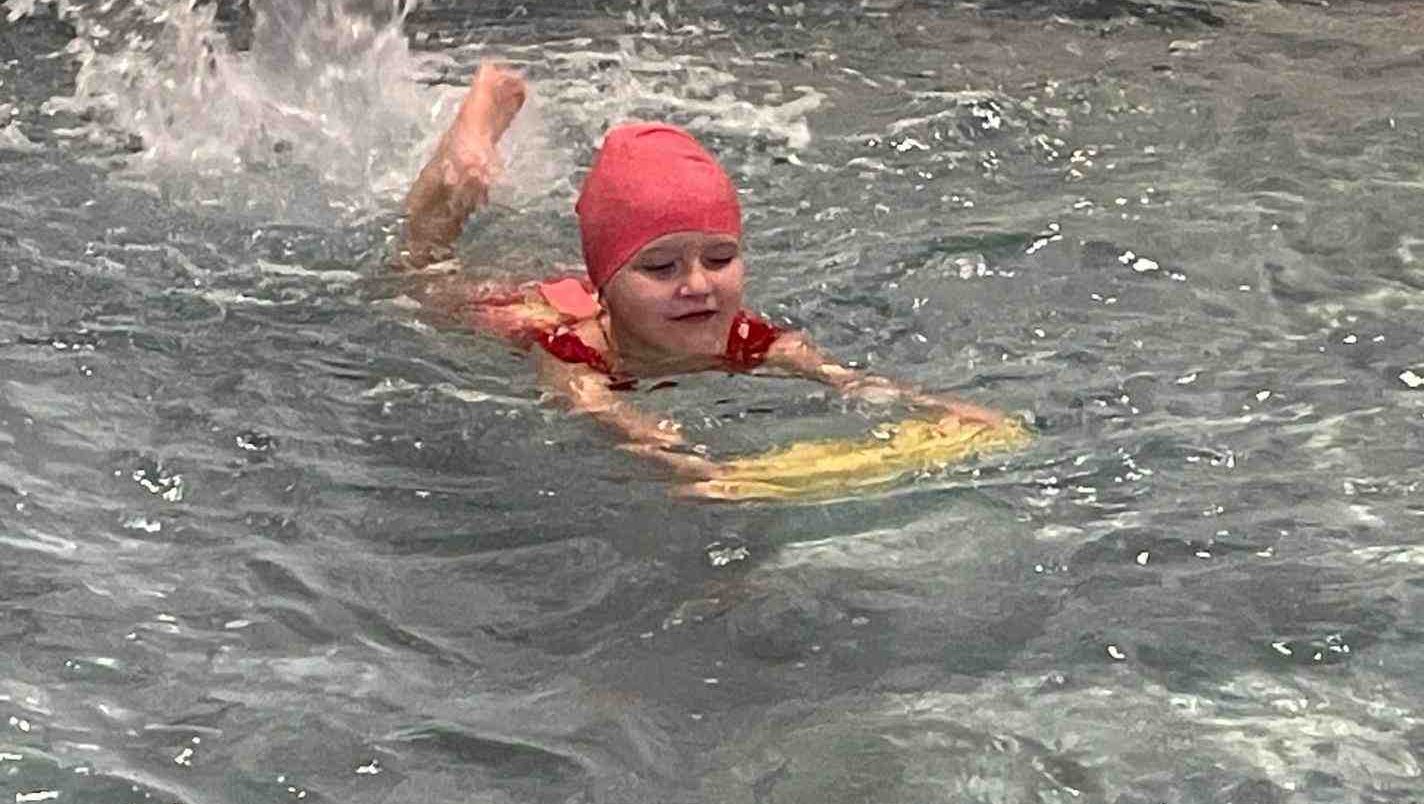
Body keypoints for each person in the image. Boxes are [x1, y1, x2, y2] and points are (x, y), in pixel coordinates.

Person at [401, 62, 1022, 496]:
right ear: (608, 287)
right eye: (661, 267)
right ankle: (472, 139)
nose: (698, 285)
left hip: (594, 289)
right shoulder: (572, 356)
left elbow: (852, 381)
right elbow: (613, 419)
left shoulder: (750, 339)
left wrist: (938, 407)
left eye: (720, 259)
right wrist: (684, 464)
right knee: (421, 269)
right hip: (533, 307)